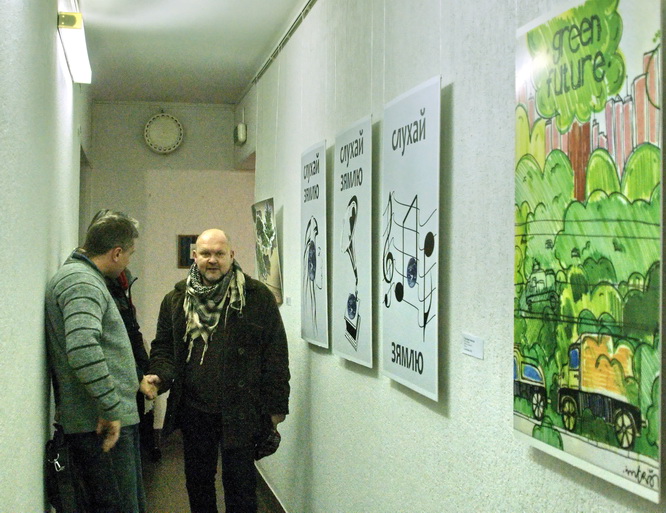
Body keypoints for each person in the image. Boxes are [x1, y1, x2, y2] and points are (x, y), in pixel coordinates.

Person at [144, 228, 290, 513]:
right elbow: (163, 348)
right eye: (206, 254)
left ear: (231, 255)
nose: (213, 260)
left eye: (219, 254)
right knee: (198, 482)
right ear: (194, 256)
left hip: (241, 408)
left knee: (241, 485)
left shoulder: (257, 297)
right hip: (194, 408)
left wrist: (276, 405)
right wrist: (159, 376)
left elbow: (276, 355)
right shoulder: (175, 299)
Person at [45, 211, 151, 513]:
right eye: (129, 254)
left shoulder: (83, 278)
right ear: (116, 253)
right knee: (119, 506)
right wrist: (110, 408)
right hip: (100, 425)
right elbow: (83, 348)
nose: (128, 262)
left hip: (104, 419)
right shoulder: (82, 283)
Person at [88, 209, 161, 462]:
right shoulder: (93, 284)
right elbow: (98, 346)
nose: (130, 259)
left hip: (132, 378)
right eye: (129, 252)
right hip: (114, 391)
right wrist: (137, 377)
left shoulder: (121, 279)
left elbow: (131, 331)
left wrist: (144, 371)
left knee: (136, 449)